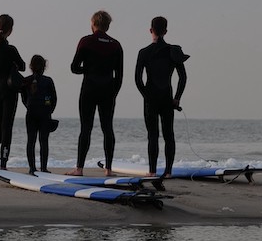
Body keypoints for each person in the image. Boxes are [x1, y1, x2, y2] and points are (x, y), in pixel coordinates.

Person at [67, 10, 124, 176]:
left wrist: (89, 69)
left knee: (86, 128)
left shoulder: (86, 41)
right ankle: (109, 169)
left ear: (93, 24)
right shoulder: (116, 45)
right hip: (108, 90)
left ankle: (79, 168)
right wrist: (114, 93)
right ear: (107, 26)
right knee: (108, 128)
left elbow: (74, 67)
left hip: (89, 88)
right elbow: (119, 75)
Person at [134, 16, 189, 178]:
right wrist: (177, 97)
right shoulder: (173, 51)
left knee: (152, 135)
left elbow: (137, 79)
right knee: (168, 135)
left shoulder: (144, 52)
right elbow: (183, 77)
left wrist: (146, 95)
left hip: (150, 98)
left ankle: (152, 171)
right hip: (167, 97)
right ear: (165, 31)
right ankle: (168, 172)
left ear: (151, 30)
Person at [0, 14, 26, 173]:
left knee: (0, 127)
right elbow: (22, 66)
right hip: (8, 90)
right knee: (6, 128)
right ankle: (3, 164)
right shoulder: (10, 49)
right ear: (11, 29)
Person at [19, 55, 58, 175]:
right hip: (45, 113)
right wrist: (49, 110)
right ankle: (44, 168)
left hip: (31, 112)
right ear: (44, 67)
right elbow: (54, 98)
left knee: (31, 141)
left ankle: (32, 168)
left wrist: (30, 106)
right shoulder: (48, 81)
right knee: (44, 141)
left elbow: (24, 99)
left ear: (31, 67)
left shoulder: (26, 81)